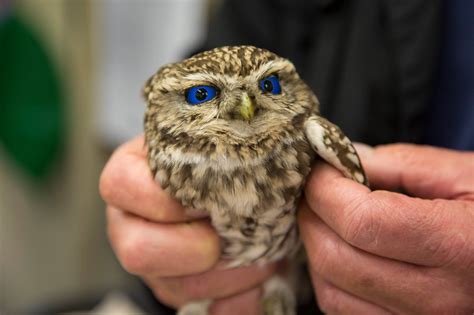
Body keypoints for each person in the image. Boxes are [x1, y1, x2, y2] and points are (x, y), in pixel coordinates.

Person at [100, 0, 474, 313]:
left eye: (268, 86)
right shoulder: (169, 148)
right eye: (203, 95)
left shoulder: (309, 135)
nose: (246, 106)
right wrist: (158, 252)